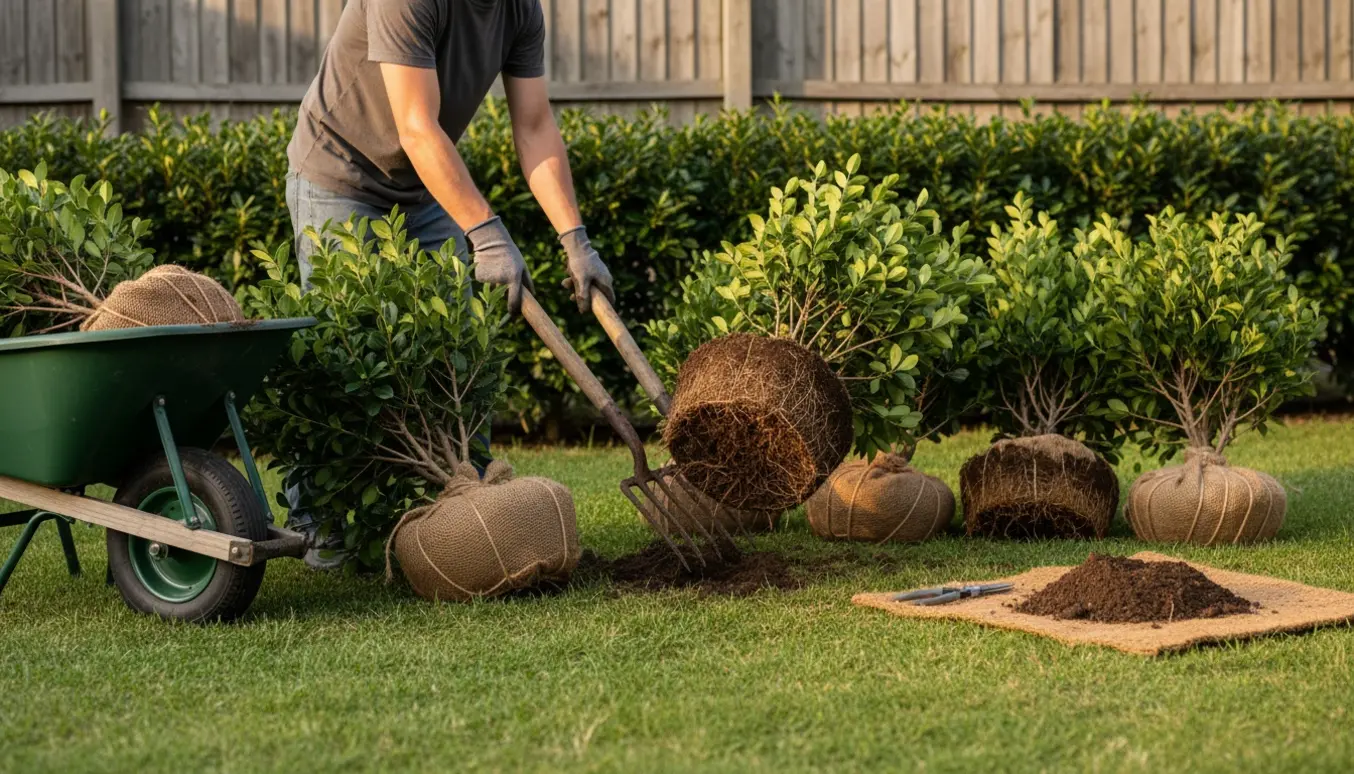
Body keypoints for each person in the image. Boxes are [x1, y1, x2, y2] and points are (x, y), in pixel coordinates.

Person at [283, 0, 615, 567]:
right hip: (341, 175)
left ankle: (470, 503)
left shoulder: (519, 10)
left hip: (421, 185)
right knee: (345, 349)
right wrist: (486, 234)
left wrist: (575, 238)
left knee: (459, 347)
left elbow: (535, 127)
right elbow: (416, 126)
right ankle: (317, 520)